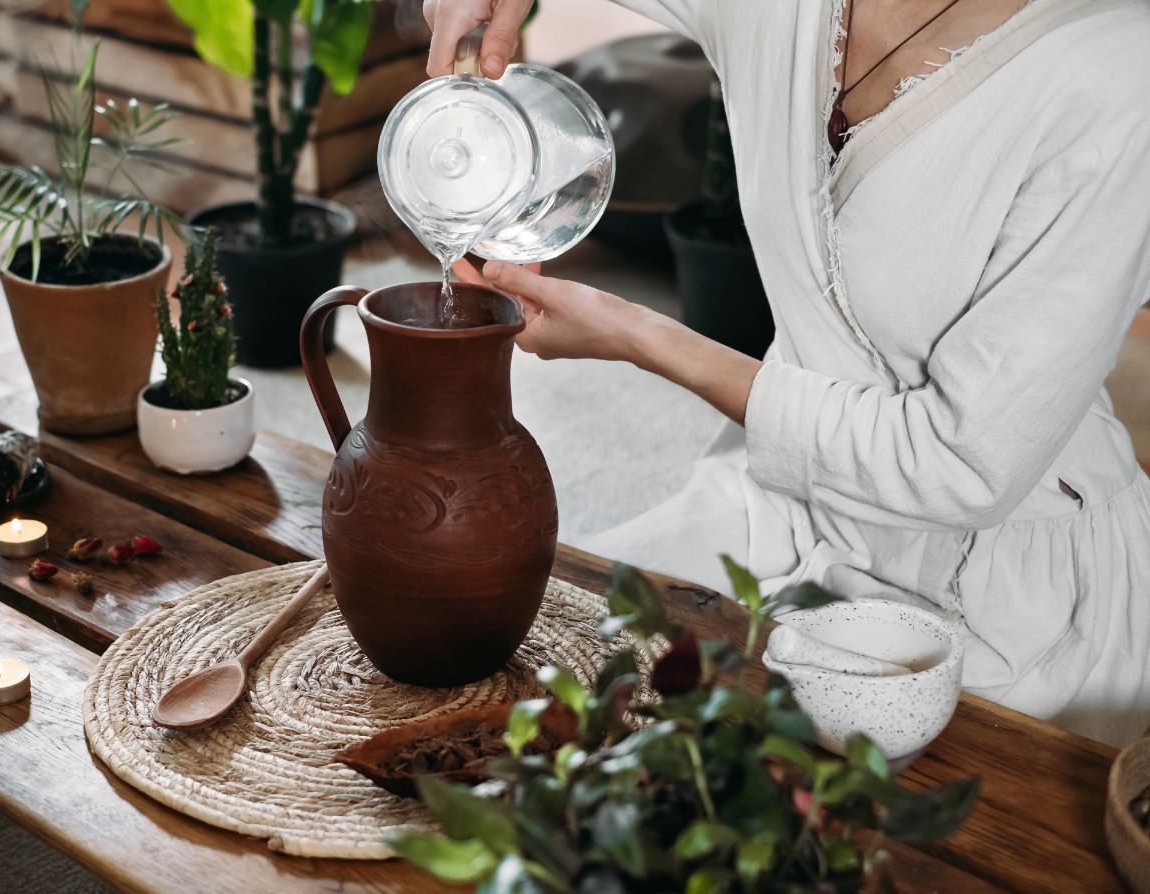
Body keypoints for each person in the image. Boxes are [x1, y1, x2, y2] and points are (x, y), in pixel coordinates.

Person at [423, 0, 1150, 746]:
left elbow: (961, 466)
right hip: (783, 516)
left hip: (1005, 595)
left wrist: (639, 336)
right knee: (515, 674)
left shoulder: (1117, 74)